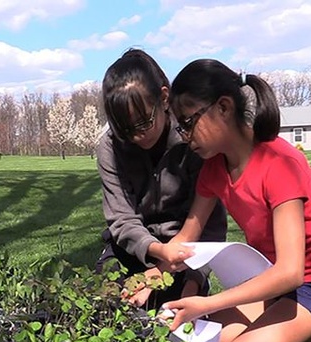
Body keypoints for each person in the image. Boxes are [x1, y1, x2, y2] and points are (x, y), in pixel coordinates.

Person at [158, 59, 311, 342]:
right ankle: (300, 323)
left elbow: (292, 272)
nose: (184, 136)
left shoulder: (281, 163)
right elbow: (186, 237)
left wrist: (208, 303)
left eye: (187, 122)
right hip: (269, 276)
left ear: (223, 108)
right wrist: (148, 280)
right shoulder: (213, 168)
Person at [95, 49, 228, 311]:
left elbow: (210, 226)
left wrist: (194, 284)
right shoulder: (109, 147)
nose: (137, 136)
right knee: (106, 313)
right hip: (130, 251)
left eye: (144, 122)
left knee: (172, 324)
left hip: (185, 255)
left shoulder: (195, 142)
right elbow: (121, 220)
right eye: (126, 130)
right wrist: (157, 253)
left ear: (164, 97)